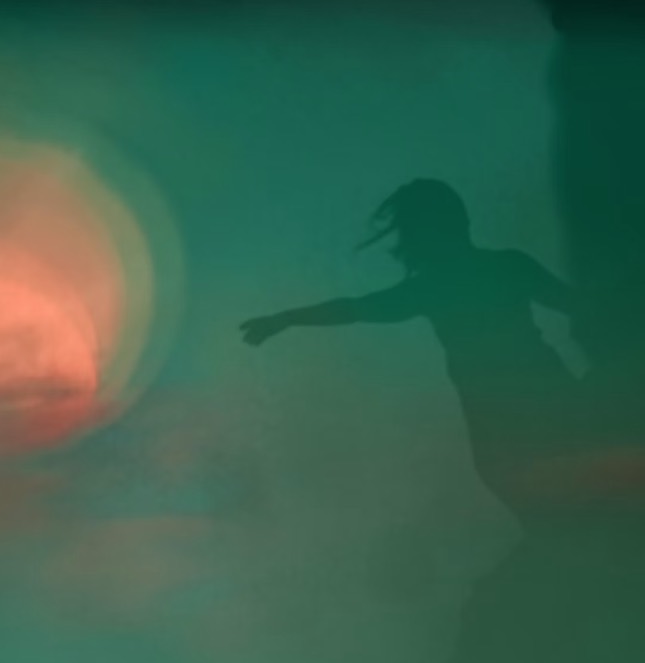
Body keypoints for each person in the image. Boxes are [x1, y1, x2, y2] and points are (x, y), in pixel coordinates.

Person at [240, 179, 583, 498]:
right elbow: (355, 309)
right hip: (525, 415)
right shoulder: (494, 269)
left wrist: (286, 319)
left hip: (519, 419)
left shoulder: (441, 285)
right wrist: (287, 319)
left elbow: (354, 309)